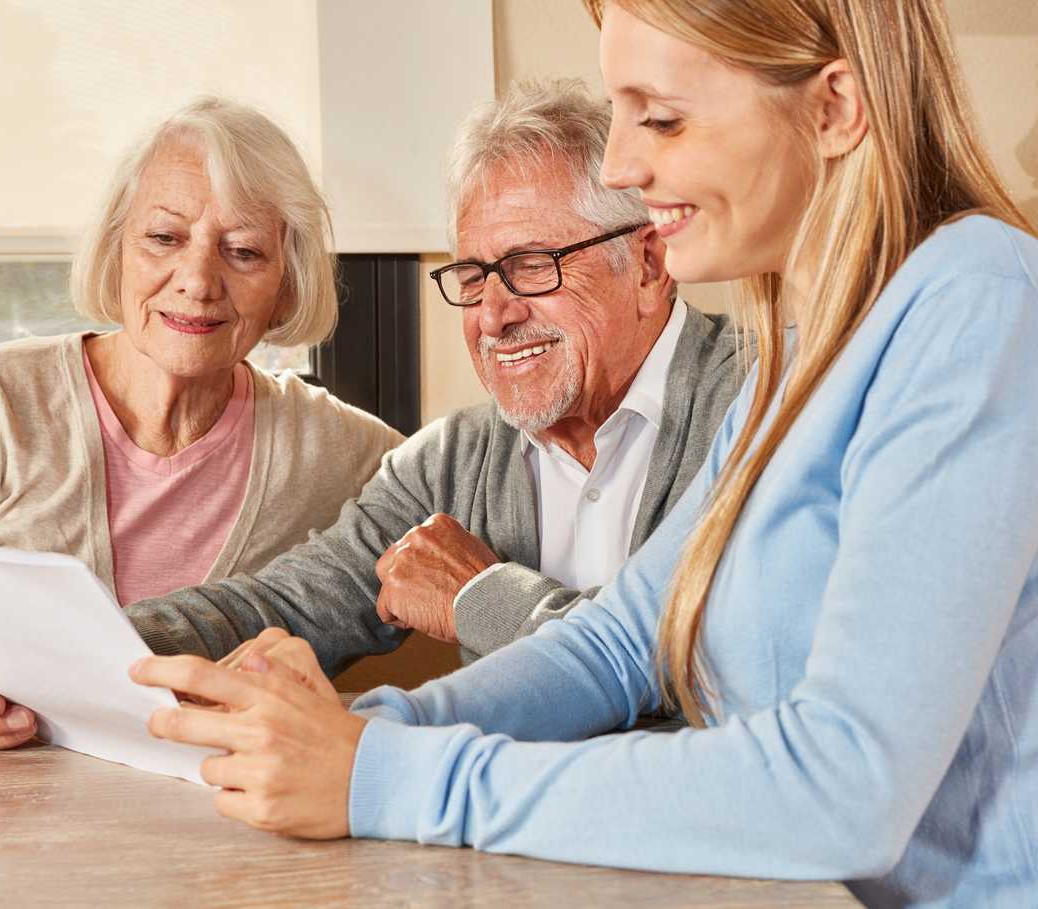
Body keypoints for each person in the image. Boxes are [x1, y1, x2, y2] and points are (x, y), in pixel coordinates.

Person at [131, 1, 1038, 906]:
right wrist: (367, 729)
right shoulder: (800, 364)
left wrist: (393, 774)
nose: (623, 165)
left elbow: (845, 786)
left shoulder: (974, 298)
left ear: (835, 108)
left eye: (664, 118)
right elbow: (616, 644)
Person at [123, 80, 744, 675]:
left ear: (647, 265)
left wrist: (483, 597)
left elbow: (727, 667)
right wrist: (71, 653)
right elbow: (283, 609)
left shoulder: (772, 401)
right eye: (474, 276)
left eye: (532, 265)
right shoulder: (453, 461)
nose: (493, 316)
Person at [0, 97, 403, 750]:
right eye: (164, 238)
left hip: (234, 825)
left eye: (244, 251)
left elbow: (472, 511)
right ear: (116, 252)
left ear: (288, 282)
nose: (197, 280)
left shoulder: (342, 452)